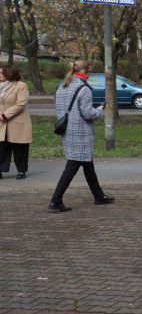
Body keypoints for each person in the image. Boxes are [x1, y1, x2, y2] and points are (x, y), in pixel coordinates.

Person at [49, 60, 114, 212]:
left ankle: (99, 196)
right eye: (89, 73)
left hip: (67, 130)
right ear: (84, 72)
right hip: (80, 132)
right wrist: (99, 110)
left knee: (87, 164)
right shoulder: (84, 88)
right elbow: (87, 114)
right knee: (73, 165)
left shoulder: (62, 87)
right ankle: (56, 200)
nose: (89, 75)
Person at [0, 65, 31, 180]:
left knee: (20, 148)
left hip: (17, 122)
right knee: (2, 147)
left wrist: (5, 115)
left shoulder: (21, 86)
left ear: (8, 73)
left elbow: (21, 104)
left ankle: (21, 170)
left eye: (1, 73)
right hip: (2, 123)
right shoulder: (0, 87)